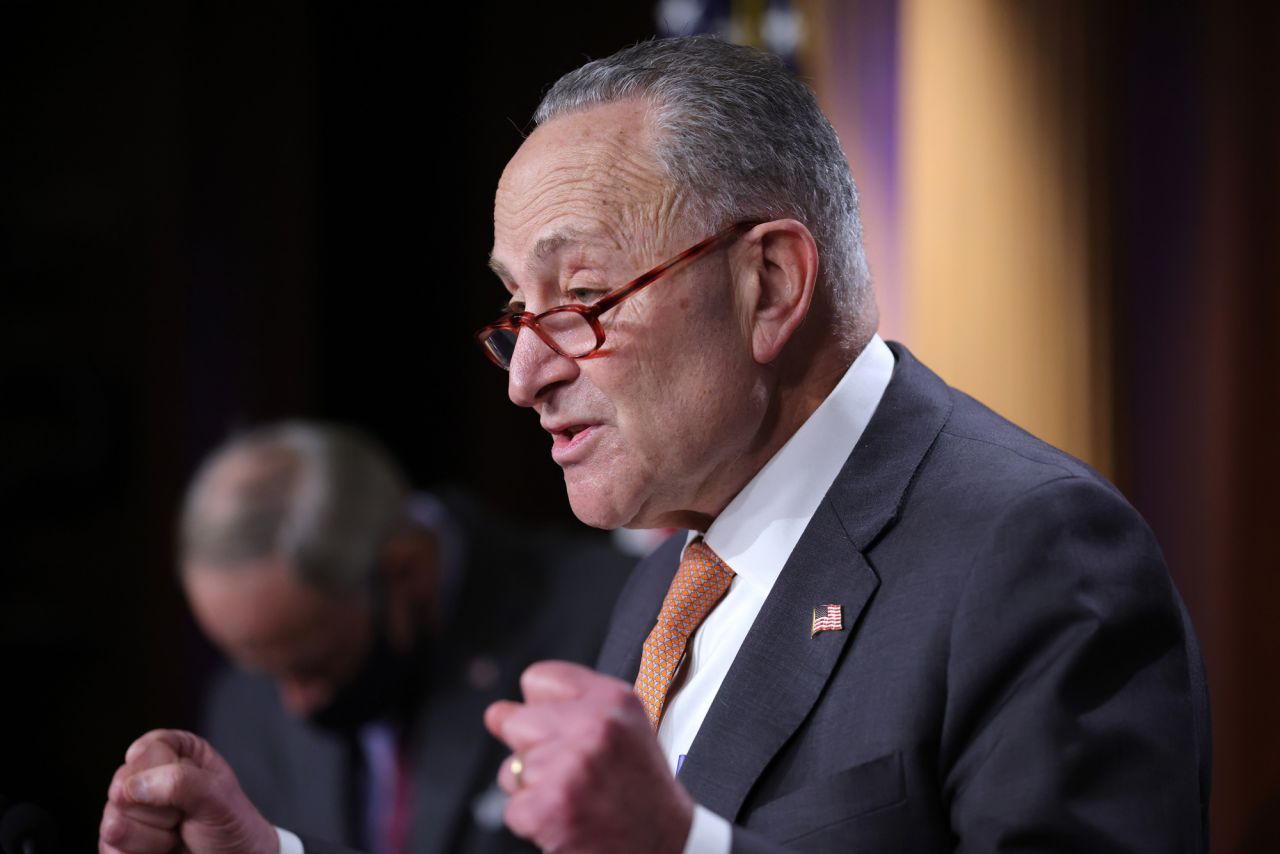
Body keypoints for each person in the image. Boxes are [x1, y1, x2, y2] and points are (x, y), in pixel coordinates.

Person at [100, 37, 1210, 853]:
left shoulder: (1033, 550)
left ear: (766, 282)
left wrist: (680, 849)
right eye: (513, 313)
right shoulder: (663, 589)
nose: (526, 373)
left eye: (580, 297)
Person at [103, 421, 630, 854]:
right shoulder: (245, 701)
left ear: (407, 570)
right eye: (261, 668)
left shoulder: (611, 616)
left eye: (315, 663)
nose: (292, 702)